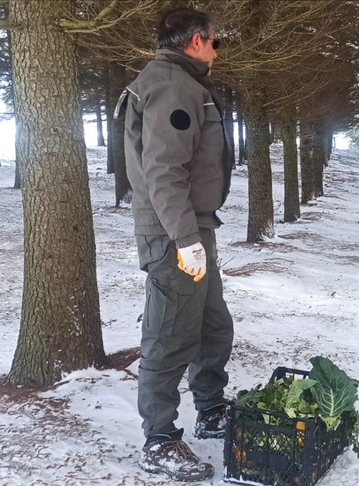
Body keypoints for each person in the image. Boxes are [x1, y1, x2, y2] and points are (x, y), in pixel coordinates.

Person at [119, 7, 234, 482]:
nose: (216, 49)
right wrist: (185, 239)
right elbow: (163, 171)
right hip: (173, 233)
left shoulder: (184, 82)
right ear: (195, 41)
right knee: (169, 336)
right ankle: (159, 439)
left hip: (192, 226)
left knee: (210, 325)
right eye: (214, 41)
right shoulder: (171, 86)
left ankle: (209, 407)